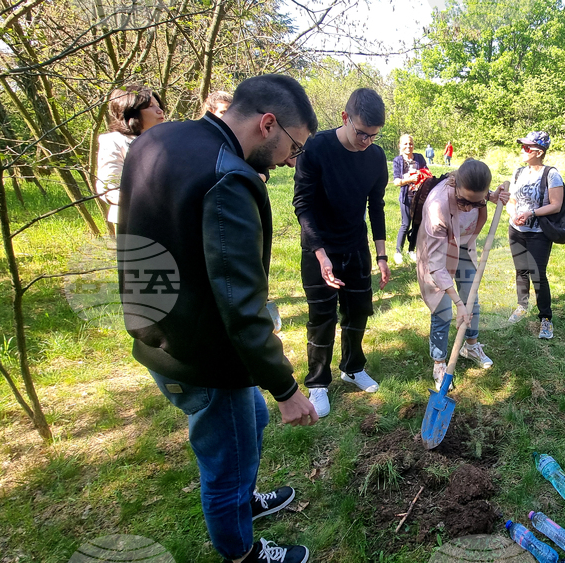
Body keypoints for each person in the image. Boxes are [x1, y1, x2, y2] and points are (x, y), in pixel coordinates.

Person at [117, 74, 319, 563]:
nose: (291, 161)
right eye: (294, 147)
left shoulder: (159, 140)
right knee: (226, 460)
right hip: (202, 355)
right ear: (267, 124)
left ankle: (243, 503)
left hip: (160, 331)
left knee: (251, 420)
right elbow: (242, 306)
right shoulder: (229, 178)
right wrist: (287, 389)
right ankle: (241, 553)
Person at [293, 88, 391, 418]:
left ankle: (352, 367)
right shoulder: (316, 148)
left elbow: (376, 206)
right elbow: (302, 204)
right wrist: (321, 255)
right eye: (362, 133)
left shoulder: (375, 157)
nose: (366, 141)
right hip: (319, 246)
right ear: (345, 118)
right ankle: (318, 383)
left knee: (358, 311)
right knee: (322, 317)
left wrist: (381, 256)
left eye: (373, 135)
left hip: (355, 246)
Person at [416, 159, 510, 389]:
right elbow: (437, 266)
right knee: (443, 309)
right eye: (463, 202)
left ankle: (470, 346)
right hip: (438, 254)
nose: (468, 208)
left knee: (471, 299)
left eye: (476, 202)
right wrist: (457, 303)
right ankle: (439, 363)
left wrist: (492, 197)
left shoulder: (476, 194)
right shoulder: (437, 207)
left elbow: (478, 198)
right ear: (455, 186)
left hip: (464, 247)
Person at [506, 131, 563, 339]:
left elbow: (556, 205)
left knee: (538, 275)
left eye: (527, 147)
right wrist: (514, 215)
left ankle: (545, 318)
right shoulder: (518, 172)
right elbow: (511, 201)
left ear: (539, 152)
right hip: (516, 230)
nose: (522, 150)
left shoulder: (551, 174)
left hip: (539, 233)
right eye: (522, 146)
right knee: (521, 271)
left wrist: (531, 213)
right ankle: (522, 306)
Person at [96, 85, 165, 224]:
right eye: (150, 106)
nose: (159, 111)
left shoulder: (168, 139)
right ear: (131, 112)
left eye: (158, 105)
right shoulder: (114, 141)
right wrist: (142, 202)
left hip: (168, 219)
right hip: (132, 220)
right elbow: (109, 187)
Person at [393, 134, 428, 265]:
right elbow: (396, 181)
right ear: (400, 145)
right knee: (405, 224)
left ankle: (411, 250)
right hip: (406, 197)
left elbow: (427, 173)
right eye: (406, 144)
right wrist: (409, 179)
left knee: (417, 224)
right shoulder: (398, 160)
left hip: (420, 196)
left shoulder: (419, 158)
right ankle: (398, 252)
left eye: (411, 144)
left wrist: (421, 174)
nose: (409, 146)